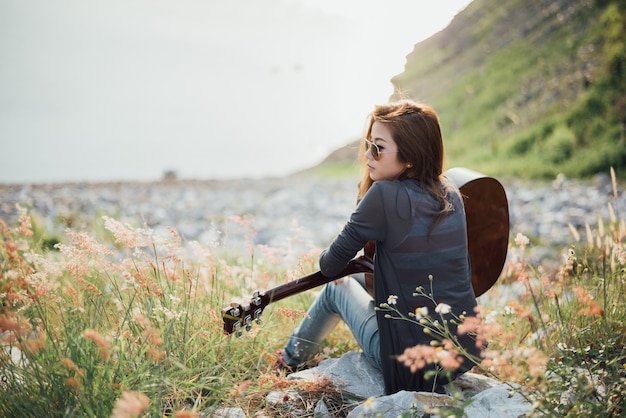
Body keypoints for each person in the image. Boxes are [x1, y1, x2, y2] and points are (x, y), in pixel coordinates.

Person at [276, 100, 483, 394]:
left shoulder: (384, 195)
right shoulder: (450, 191)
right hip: (464, 351)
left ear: (410, 157)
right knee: (366, 279)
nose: (367, 155)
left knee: (339, 286)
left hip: (410, 364)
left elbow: (329, 266)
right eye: (367, 144)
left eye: (378, 148)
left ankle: (287, 362)